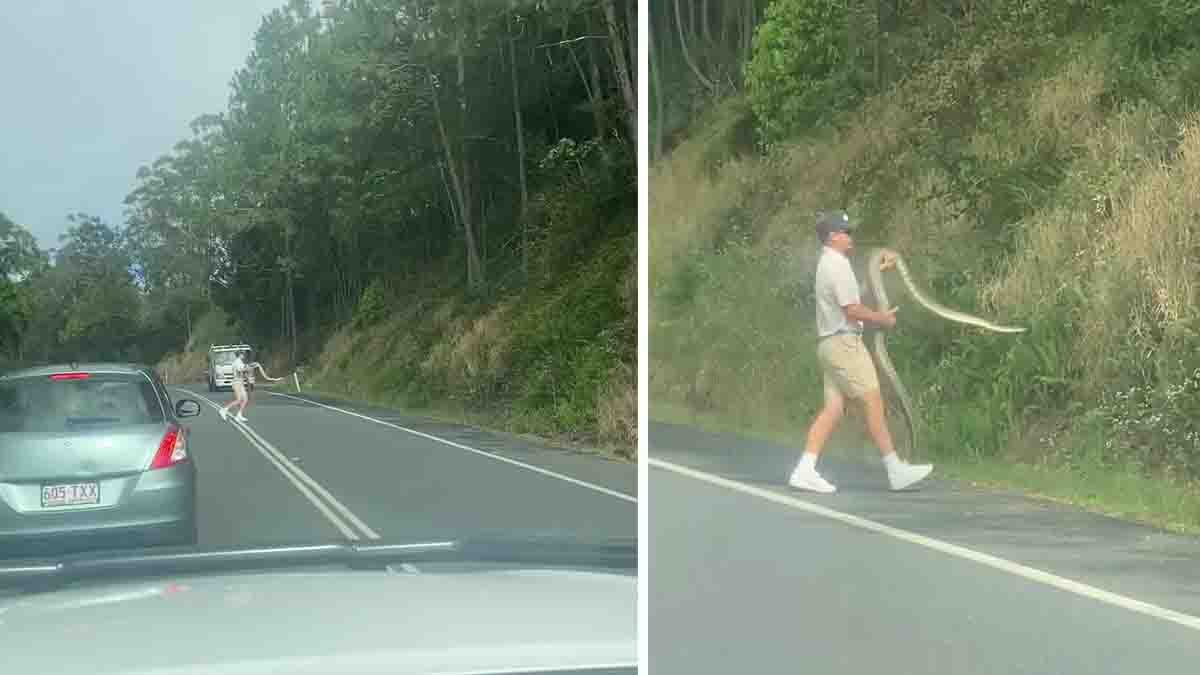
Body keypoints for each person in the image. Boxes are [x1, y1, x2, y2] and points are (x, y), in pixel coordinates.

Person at [789, 210, 934, 493]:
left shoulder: (829, 264)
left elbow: (853, 296)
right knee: (872, 402)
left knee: (833, 410)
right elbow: (852, 309)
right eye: (846, 232)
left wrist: (877, 271)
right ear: (832, 236)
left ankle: (804, 469)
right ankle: (895, 470)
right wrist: (883, 319)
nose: (850, 236)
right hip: (844, 344)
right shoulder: (837, 266)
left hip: (829, 345)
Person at [219, 350, 251, 422]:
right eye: (243, 354)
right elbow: (240, 369)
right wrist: (247, 368)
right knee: (239, 400)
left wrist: (247, 369)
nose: (244, 355)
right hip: (236, 383)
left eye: (244, 354)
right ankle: (224, 410)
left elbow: (243, 371)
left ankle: (239, 415)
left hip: (240, 383)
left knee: (245, 399)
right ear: (239, 355)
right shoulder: (237, 362)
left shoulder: (240, 362)